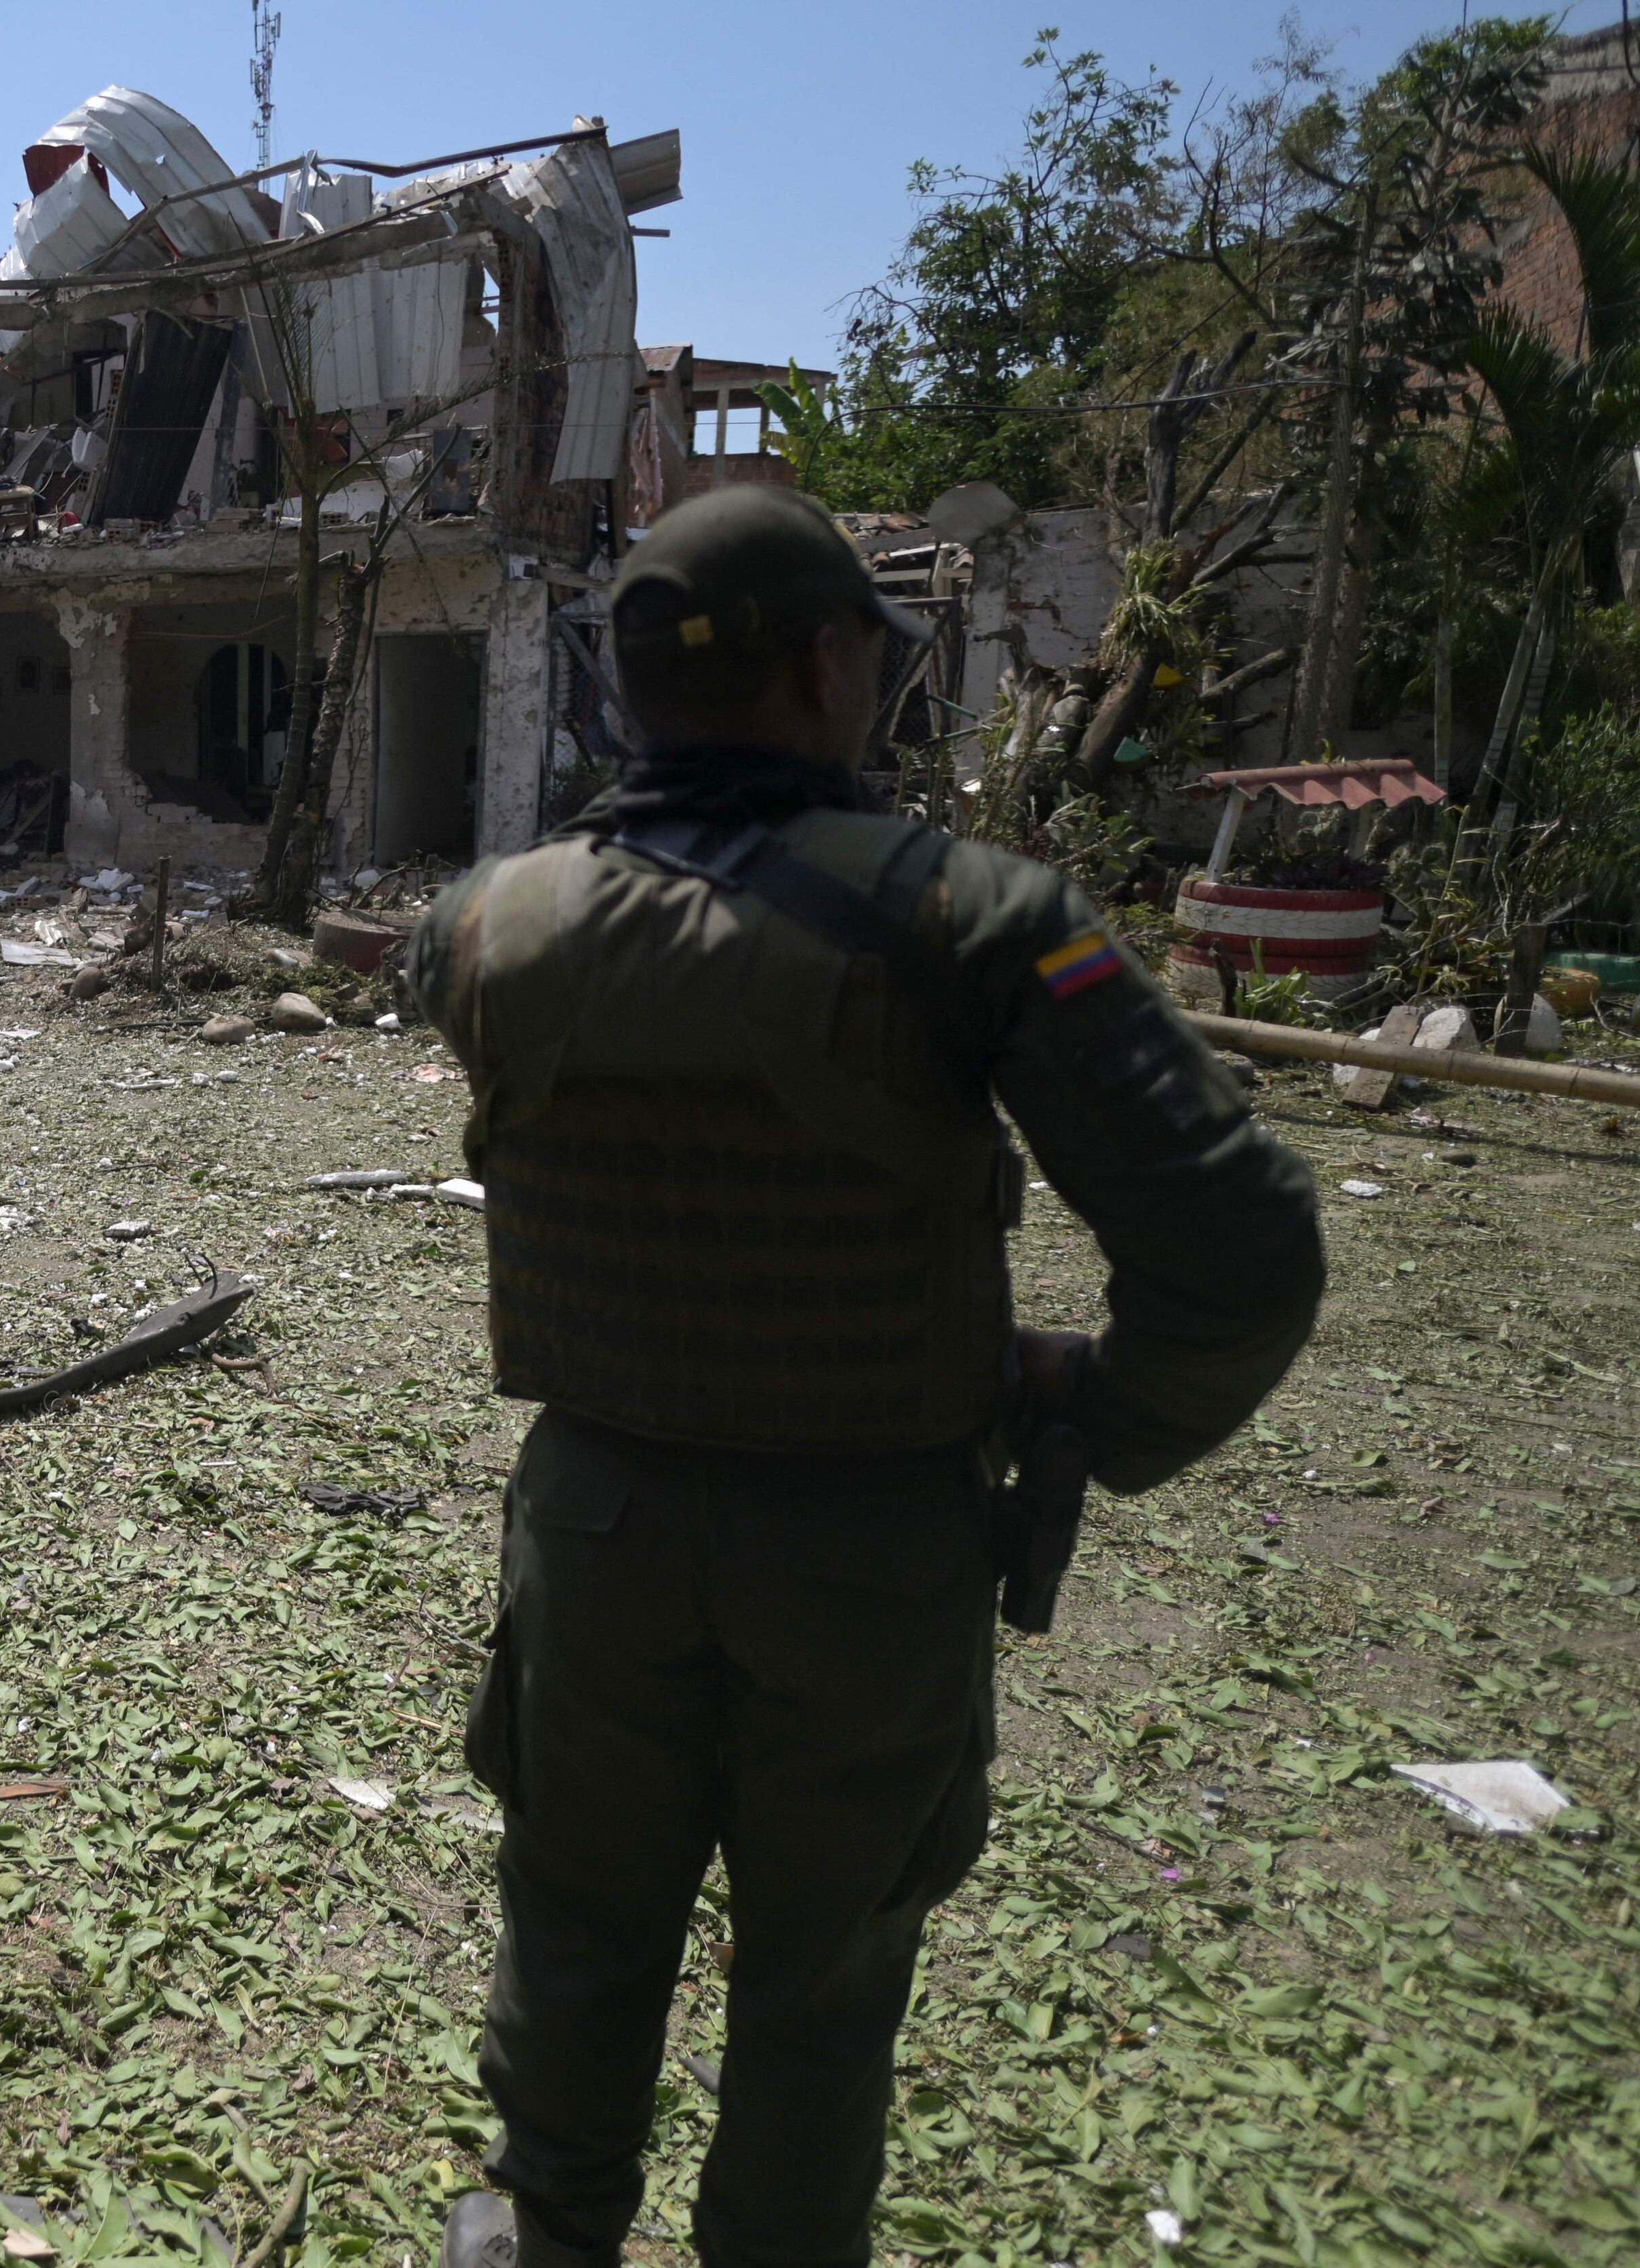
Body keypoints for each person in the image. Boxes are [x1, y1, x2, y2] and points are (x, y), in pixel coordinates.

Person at [404, 486, 1325, 2268]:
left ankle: (550, 2232)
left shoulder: (483, 922)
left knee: (580, 1920)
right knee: (821, 1985)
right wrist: (1085, 1407)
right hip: (869, 1550)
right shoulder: (979, 921)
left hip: (593, 1527)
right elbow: (1242, 1250)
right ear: (828, 663)